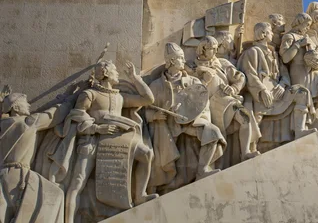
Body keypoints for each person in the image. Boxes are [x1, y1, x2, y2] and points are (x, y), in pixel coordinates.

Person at [60, 60, 158, 223]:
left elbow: (148, 99)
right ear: (105, 73)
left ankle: (140, 195)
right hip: (93, 141)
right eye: (115, 71)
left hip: (116, 141)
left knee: (147, 154)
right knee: (78, 181)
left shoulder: (119, 97)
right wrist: (97, 128)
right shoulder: (90, 94)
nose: (118, 73)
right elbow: (76, 117)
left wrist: (135, 78)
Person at [147, 43, 225, 193]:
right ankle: (153, 187)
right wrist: (155, 116)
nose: (183, 61)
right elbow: (146, 110)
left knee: (213, 132)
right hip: (167, 126)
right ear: (170, 61)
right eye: (180, 58)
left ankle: (202, 170)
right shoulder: (156, 86)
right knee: (161, 159)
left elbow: (203, 104)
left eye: (183, 57)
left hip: (189, 123)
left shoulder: (192, 81)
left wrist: (196, 117)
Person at [0, 86, 74, 223]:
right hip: (20, 175)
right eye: (24, 102)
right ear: (15, 108)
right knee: (55, 194)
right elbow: (54, 115)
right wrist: (70, 99)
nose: (28, 105)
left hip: (2, 174)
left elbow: (43, 112)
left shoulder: (3, 125)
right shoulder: (27, 123)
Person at [237, 22, 316, 145]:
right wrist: (262, 90)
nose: (273, 34)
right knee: (256, 115)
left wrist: (282, 84)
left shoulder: (273, 53)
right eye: (270, 32)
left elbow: (284, 73)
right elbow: (249, 74)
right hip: (261, 94)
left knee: (302, 93)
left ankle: (300, 130)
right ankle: (250, 147)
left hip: (278, 91)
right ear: (263, 34)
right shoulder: (252, 52)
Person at [191, 37, 261, 167]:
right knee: (213, 136)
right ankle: (206, 166)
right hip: (207, 106)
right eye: (212, 48)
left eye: (216, 48)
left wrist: (233, 88)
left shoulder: (221, 62)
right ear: (203, 49)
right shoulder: (193, 67)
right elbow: (191, 90)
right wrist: (204, 81)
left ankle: (245, 152)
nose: (215, 51)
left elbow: (240, 77)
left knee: (245, 117)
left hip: (225, 100)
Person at [280, 13, 318, 128]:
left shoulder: (307, 38)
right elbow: (285, 58)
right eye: (306, 25)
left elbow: (315, 56)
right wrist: (298, 45)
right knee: (303, 98)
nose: (308, 27)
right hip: (298, 71)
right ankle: (301, 128)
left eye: (309, 25)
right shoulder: (289, 37)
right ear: (299, 23)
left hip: (312, 71)